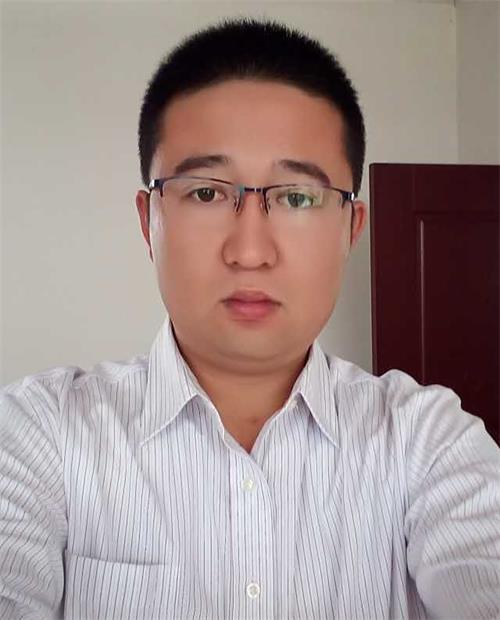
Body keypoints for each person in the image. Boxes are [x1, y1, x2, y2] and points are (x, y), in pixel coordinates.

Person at [0, 17, 499, 620]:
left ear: (351, 229)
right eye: (206, 193)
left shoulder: (428, 441)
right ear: (149, 220)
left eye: (297, 197)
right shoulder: (38, 434)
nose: (250, 251)